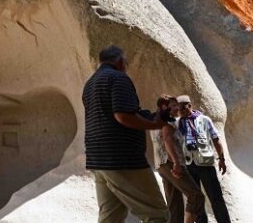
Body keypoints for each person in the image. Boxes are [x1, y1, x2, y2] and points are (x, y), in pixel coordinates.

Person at [82, 45, 169, 223]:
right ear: (120, 62)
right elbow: (122, 116)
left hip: (98, 160)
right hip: (122, 159)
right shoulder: (118, 78)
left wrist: (153, 115)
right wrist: (154, 125)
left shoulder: (90, 83)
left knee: (111, 217)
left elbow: (117, 114)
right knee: (157, 214)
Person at [177, 95, 231, 223]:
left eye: (183, 108)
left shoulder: (204, 120)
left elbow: (216, 139)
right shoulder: (178, 122)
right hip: (189, 164)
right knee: (197, 200)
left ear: (190, 106)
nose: (181, 111)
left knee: (216, 197)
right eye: (179, 109)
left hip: (205, 164)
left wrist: (221, 159)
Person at [151, 94, 205, 223]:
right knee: (196, 196)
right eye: (174, 105)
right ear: (164, 106)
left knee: (174, 204)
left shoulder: (155, 119)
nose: (177, 108)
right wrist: (176, 162)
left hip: (161, 164)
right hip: (170, 163)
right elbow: (167, 139)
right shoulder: (166, 120)